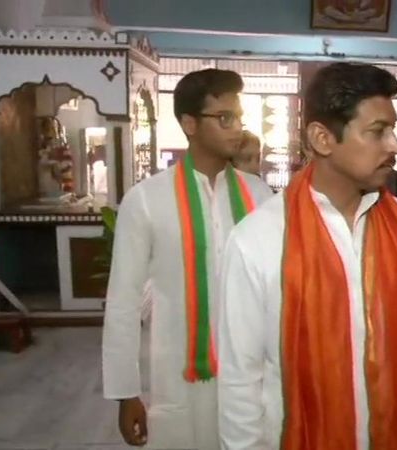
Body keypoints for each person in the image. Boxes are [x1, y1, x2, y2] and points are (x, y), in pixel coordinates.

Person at [217, 62, 397, 450]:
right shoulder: (258, 240)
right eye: (378, 132)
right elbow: (241, 378)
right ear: (323, 138)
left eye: (392, 130)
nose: (395, 146)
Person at [102, 69, 273, 450]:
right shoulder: (146, 199)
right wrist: (125, 391)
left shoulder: (260, 196)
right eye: (224, 118)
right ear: (189, 123)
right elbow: (123, 302)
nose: (237, 129)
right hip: (179, 374)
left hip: (252, 375)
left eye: (239, 118)